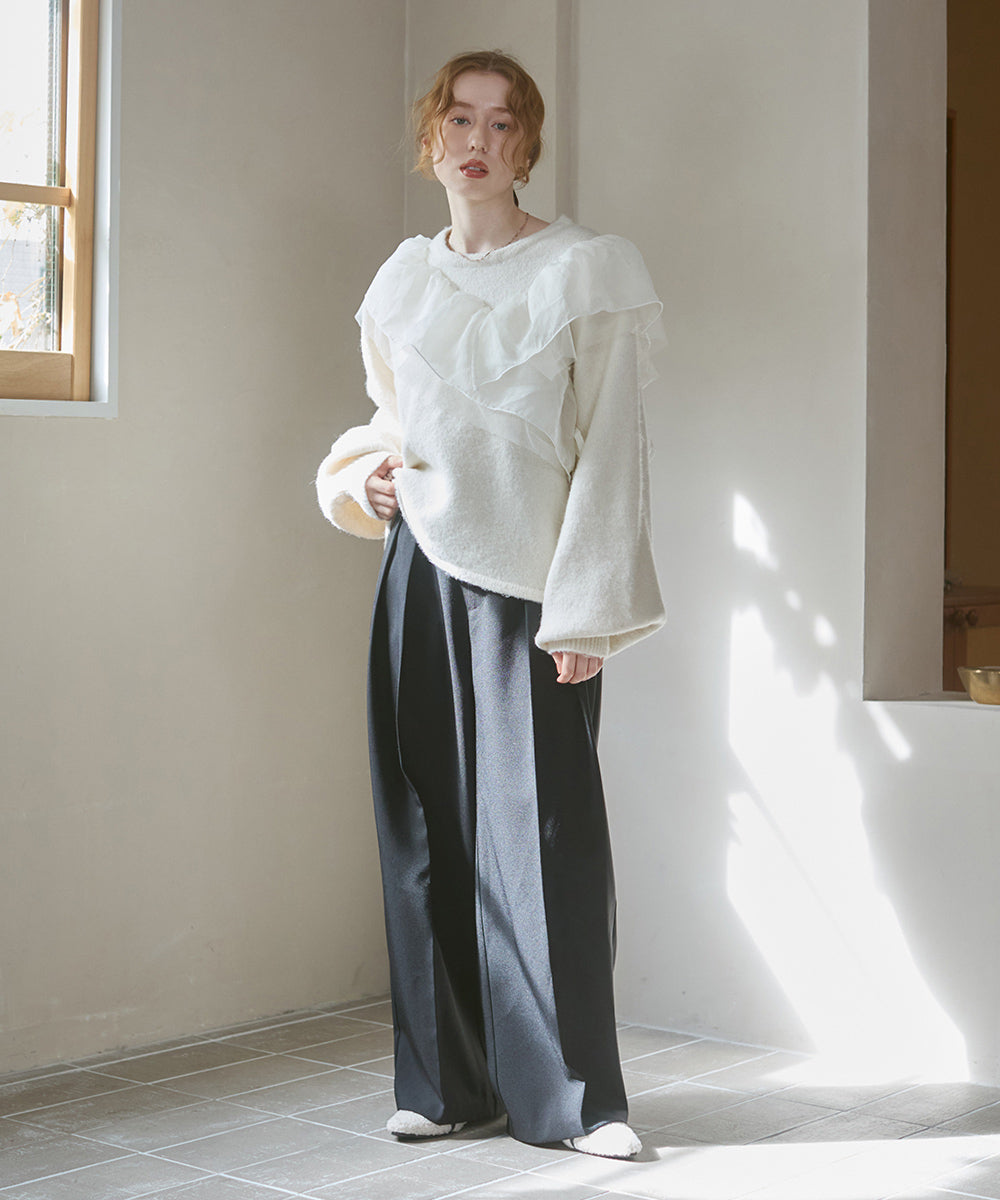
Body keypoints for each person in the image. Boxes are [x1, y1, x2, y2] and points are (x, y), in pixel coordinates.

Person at [316, 49, 665, 1160]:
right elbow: (389, 418)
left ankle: (577, 1102)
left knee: (545, 839)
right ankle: (446, 1085)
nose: (479, 140)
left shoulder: (586, 270)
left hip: (530, 591)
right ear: (431, 142)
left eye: (502, 122)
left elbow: (611, 452)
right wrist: (357, 480)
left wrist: (588, 610)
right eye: (459, 120)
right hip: (418, 573)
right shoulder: (401, 281)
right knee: (424, 831)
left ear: (527, 145)